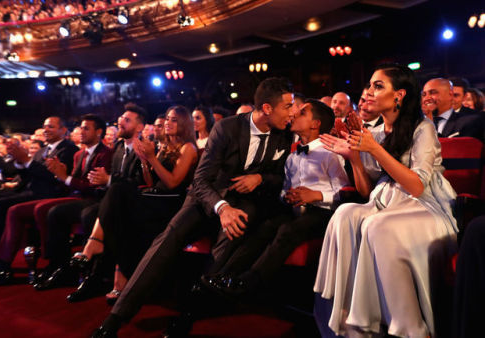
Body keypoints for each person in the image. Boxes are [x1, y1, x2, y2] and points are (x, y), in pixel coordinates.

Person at [92, 77, 295, 337]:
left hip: (245, 205)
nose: (292, 112)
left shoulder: (284, 134)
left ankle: (188, 313)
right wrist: (221, 208)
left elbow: (279, 178)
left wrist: (260, 178)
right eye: (287, 106)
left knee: (229, 240)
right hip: (207, 198)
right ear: (267, 108)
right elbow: (201, 180)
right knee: (168, 238)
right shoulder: (227, 128)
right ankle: (115, 319)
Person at [314, 64, 458, 337]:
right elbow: (368, 192)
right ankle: (351, 318)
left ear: (399, 95)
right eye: (369, 85)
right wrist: (355, 157)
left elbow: (416, 186)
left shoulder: (422, 128)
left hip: (426, 206)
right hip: (386, 204)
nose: (368, 92)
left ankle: (412, 328)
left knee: (378, 226)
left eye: (378, 86)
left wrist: (374, 149)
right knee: (345, 213)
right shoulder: (377, 134)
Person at [201, 99, 349, 298]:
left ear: (316, 124)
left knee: (288, 230)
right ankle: (223, 275)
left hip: (323, 214)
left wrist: (316, 195)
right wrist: (285, 196)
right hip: (294, 211)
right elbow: (285, 188)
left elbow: (346, 192)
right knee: (265, 226)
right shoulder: (292, 156)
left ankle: (248, 283)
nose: (294, 114)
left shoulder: (330, 153)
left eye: (303, 113)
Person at [67, 106, 198, 304]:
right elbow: (151, 181)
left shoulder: (188, 148)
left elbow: (172, 183)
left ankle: (97, 247)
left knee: (119, 190)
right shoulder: (163, 146)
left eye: (174, 120)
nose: (168, 123)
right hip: (154, 196)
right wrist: (146, 160)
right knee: (118, 210)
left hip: (171, 202)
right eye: (167, 119)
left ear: (184, 124)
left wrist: (152, 158)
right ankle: (117, 277)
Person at [0, 115, 112, 286]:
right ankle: (0, 261)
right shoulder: (77, 154)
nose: (81, 131)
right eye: (81, 127)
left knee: (37, 209)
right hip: (66, 194)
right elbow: (49, 177)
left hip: (74, 196)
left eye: (86, 128)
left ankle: (54, 263)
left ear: (98, 132)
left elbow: (85, 184)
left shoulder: (91, 152)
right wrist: (22, 162)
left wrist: (62, 176)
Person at [34, 105, 146, 290]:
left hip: (128, 201)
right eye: (121, 118)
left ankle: (94, 274)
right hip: (105, 197)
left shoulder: (141, 148)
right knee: (55, 213)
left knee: (89, 214)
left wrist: (106, 179)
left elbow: (137, 182)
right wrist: (63, 174)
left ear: (140, 127)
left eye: (127, 120)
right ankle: (61, 267)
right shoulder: (118, 148)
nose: (120, 122)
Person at [0, 117, 78, 262]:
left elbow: (55, 177)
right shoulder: (42, 151)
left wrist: (26, 160)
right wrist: (20, 161)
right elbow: (29, 175)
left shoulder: (70, 149)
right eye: (45, 126)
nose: (46, 130)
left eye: (51, 127)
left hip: (49, 194)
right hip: (30, 190)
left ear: (63, 130)